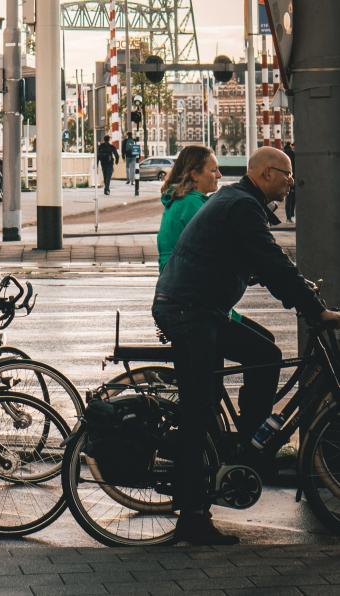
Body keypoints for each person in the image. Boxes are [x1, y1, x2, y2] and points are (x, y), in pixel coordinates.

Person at [152, 146, 340, 545]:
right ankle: (192, 517)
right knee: (199, 409)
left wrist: (300, 292)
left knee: (265, 353)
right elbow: (271, 261)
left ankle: (250, 441)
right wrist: (313, 309)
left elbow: (262, 265)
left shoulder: (237, 202)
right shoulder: (242, 206)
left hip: (200, 308)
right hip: (189, 312)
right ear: (266, 175)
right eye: (287, 175)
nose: (291, 182)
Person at [156, 145, 222, 270]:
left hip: (173, 281)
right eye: (214, 170)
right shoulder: (191, 204)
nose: (219, 175)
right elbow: (217, 246)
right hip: (187, 282)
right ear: (195, 175)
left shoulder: (180, 200)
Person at [283, 142, 296, 223]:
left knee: (288, 198)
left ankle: (288, 217)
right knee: (293, 198)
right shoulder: (293, 154)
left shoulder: (284, 155)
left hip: (286, 178)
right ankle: (291, 216)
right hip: (293, 178)